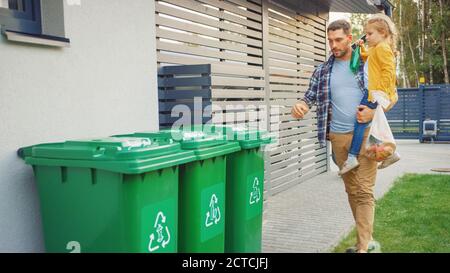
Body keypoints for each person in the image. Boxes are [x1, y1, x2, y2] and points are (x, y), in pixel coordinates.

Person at [291, 19, 396, 253]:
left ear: (350, 38)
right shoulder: (323, 70)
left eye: (338, 39)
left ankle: (363, 248)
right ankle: (364, 242)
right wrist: (300, 105)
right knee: (351, 190)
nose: (334, 45)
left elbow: (390, 93)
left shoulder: (366, 63)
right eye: (330, 40)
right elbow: (309, 97)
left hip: (367, 134)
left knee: (364, 191)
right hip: (338, 138)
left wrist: (374, 109)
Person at [340, 14, 401, 175]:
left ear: (382, 33)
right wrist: (360, 48)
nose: (366, 37)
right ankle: (390, 153)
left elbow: (389, 72)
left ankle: (352, 157)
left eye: (369, 34)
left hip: (374, 93)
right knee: (375, 124)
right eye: (365, 34)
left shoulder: (383, 48)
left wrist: (378, 93)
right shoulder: (376, 48)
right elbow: (368, 57)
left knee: (361, 120)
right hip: (373, 92)